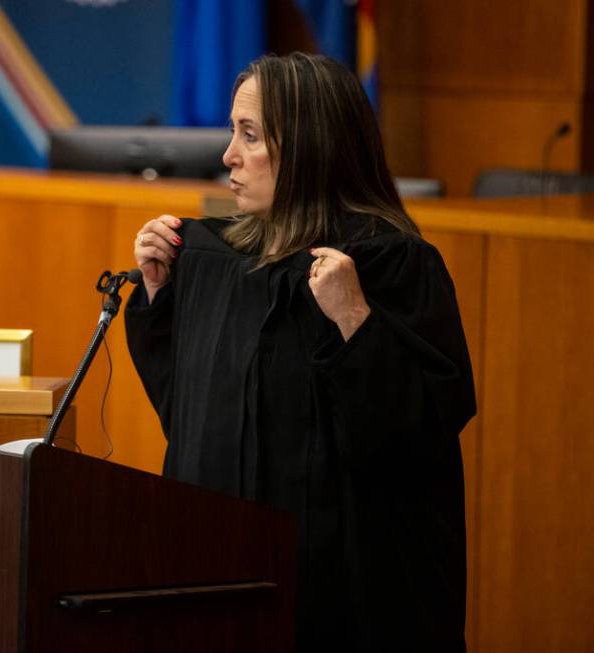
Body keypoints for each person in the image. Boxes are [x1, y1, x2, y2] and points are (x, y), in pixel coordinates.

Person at [126, 53, 475, 653]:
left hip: (343, 603)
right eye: (233, 132)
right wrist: (159, 298)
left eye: (250, 135)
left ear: (311, 145)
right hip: (226, 588)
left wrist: (354, 321)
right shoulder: (222, 263)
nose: (228, 156)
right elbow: (190, 416)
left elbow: (419, 438)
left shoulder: (392, 268)